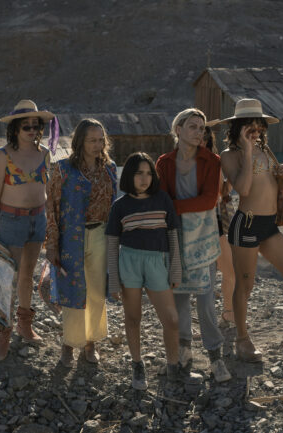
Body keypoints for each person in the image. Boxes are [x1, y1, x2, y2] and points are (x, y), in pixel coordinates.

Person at [218, 99, 283, 362]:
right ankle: (242, 340)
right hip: (246, 223)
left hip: (268, 224)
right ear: (238, 128)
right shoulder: (229, 155)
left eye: (259, 127)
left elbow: (268, 184)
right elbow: (243, 189)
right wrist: (246, 151)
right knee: (245, 285)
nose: (255, 131)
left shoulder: (265, 150)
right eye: (250, 127)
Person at [155, 108, 232, 383]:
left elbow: (209, 200)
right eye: (193, 126)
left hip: (203, 238)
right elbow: (161, 199)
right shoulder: (164, 163)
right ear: (178, 130)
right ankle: (184, 351)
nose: (199, 132)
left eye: (201, 128)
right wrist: (175, 209)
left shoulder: (212, 161)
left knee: (206, 300)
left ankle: (215, 357)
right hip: (175, 238)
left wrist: (174, 208)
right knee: (179, 298)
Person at [106, 152, 191, 390]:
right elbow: (112, 245)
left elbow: (173, 235)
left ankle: (172, 367)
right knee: (133, 318)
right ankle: (137, 365)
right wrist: (113, 280)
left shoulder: (162, 199)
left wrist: (175, 269)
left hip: (157, 263)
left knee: (171, 320)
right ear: (129, 176)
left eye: (148, 173)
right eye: (138, 173)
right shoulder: (120, 206)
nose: (144, 179)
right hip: (129, 263)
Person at [0, 99, 56, 361]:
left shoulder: (45, 153)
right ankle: (4, 331)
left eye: (36, 126)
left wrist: (54, 223)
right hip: (11, 221)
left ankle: (25, 324)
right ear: (15, 128)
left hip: (38, 219)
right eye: (26, 126)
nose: (32, 131)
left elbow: (50, 191)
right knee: (8, 279)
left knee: (27, 275)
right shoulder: (3, 157)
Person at [46, 118, 117, 368]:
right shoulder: (63, 169)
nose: (97, 145)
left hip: (100, 234)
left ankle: (90, 342)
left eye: (100, 140)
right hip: (70, 237)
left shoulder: (110, 169)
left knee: (96, 291)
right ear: (80, 142)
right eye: (92, 140)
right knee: (72, 291)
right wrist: (52, 244)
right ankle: (69, 344)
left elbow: (114, 206)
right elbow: (52, 207)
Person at [203, 125, 236, 326]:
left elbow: (221, 193)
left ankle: (228, 313)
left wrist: (231, 175)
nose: (200, 139)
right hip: (193, 222)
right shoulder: (180, 162)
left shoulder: (215, 161)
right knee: (204, 277)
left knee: (229, 271)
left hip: (216, 220)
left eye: (205, 136)